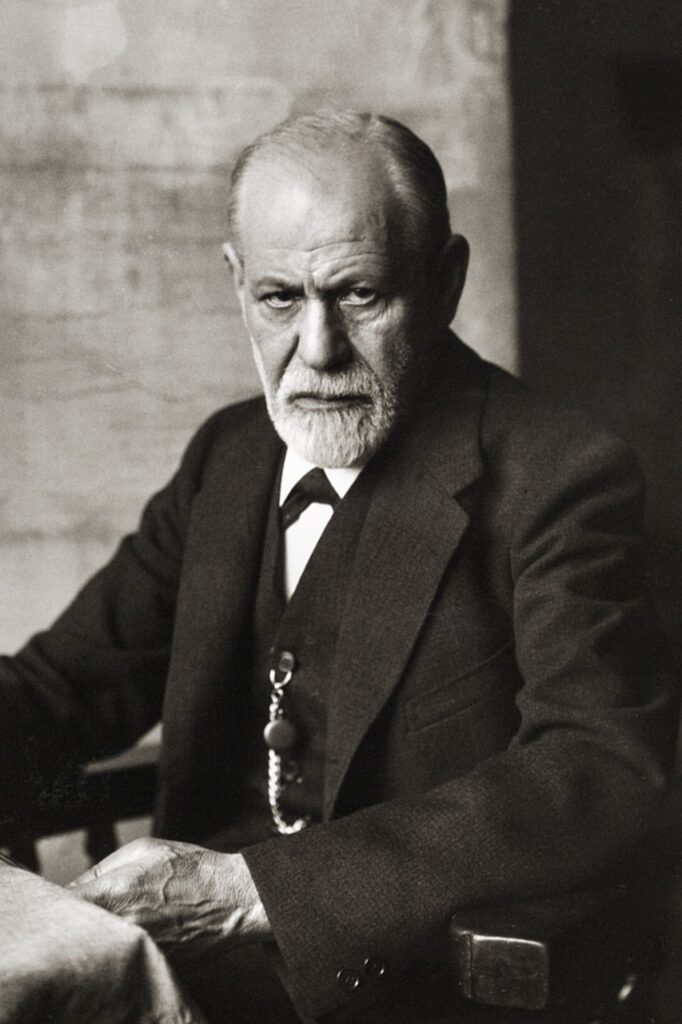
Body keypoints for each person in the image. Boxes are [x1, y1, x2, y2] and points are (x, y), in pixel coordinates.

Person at [0, 110, 677, 1024]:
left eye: (358, 295)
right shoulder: (227, 459)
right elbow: (63, 688)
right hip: (189, 974)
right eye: (280, 298)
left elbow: (600, 768)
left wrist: (252, 891)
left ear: (444, 282)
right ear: (237, 282)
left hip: (419, 982)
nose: (317, 350)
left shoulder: (559, 475)